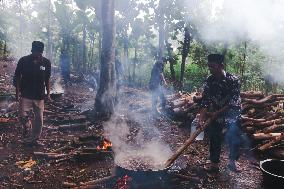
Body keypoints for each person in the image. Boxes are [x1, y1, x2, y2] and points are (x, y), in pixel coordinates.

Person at [197, 54, 242, 173]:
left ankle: (233, 162)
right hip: (216, 114)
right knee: (215, 137)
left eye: (213, 66)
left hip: (232, 113)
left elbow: (233, 102)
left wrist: (216, 113)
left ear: (221, 66)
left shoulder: (233, 80)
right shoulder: (209, 80)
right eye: (209, 66)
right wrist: (201, 120)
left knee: (234, 137)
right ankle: (214, 163)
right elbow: (205, 101)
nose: (210, 69)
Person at [15, 41, 51, 145]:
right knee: (22, 116)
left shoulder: (46, 63)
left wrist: (48, 94)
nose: (38, 55)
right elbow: (17, 76)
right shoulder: (23, 60)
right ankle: (27, 126)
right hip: (26, 94)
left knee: (39, 119)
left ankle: (34, 139)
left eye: (40, 53)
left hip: (39, 96)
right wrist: (17, 93)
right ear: (32, 51)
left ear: (42, 52)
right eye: (36, 52)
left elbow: (47, 79)